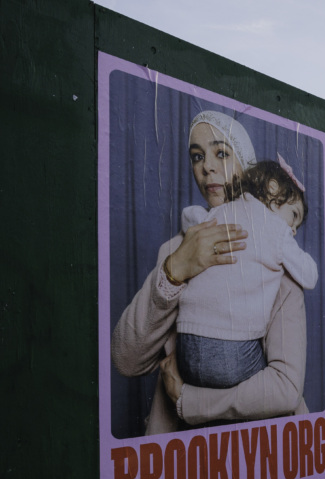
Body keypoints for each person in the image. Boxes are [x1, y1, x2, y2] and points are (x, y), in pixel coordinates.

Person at [112, 111, 309, 434]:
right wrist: (175, 271)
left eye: (221, 153)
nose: (207, 167)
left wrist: (191, 402)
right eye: (197, 157)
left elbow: (285, 386)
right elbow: (126, 360)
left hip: (264, 450)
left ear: (247, 167)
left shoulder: (278, 253)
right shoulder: (175, 252)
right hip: (188, 459)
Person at [175, 156, 318, 389]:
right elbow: (309, 275)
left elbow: (189, 216)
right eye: (294, 216)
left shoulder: (220, 211)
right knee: (270, 381)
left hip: (186, 347)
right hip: (230, 355)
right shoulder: (277, 231)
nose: (292, 230)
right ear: (272, 188)